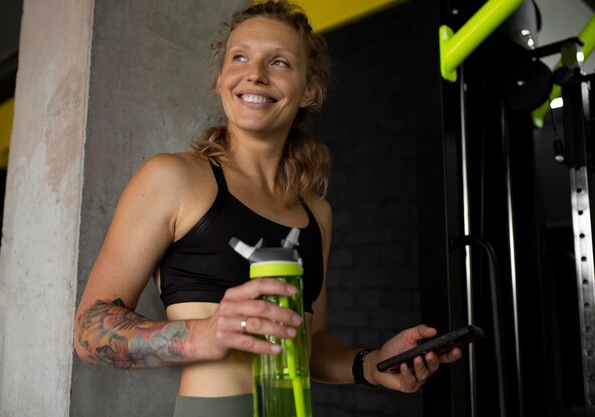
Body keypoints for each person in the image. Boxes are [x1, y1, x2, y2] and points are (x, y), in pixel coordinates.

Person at [74, 1, 462, 416]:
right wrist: (203, 335)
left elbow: (310, 343)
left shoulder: (317, 214)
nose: (255, 73)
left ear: (308, 90)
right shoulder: (172, 178)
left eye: (279, 62)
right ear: (221, 80)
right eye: (239, 57)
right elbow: (89, 331)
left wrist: (373, 363)